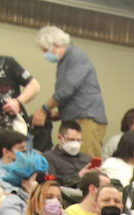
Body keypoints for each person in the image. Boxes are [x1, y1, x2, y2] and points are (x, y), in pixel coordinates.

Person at [36, 26, 107, 155]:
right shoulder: (64, 62)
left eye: (46, 50)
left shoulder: (76, 57)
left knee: (86, 162)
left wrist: (43, 110)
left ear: (56, 45)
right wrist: (61, 112)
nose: (45, 54)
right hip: (75, 117)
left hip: (86, 119)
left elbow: (67, 89)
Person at [46, 122, 90, 186]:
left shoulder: (87, 159)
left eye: (78, 140)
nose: (75, 144)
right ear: (60, 138)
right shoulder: (49, 157)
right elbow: (52, 183)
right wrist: (77, 177)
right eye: (71, 140)